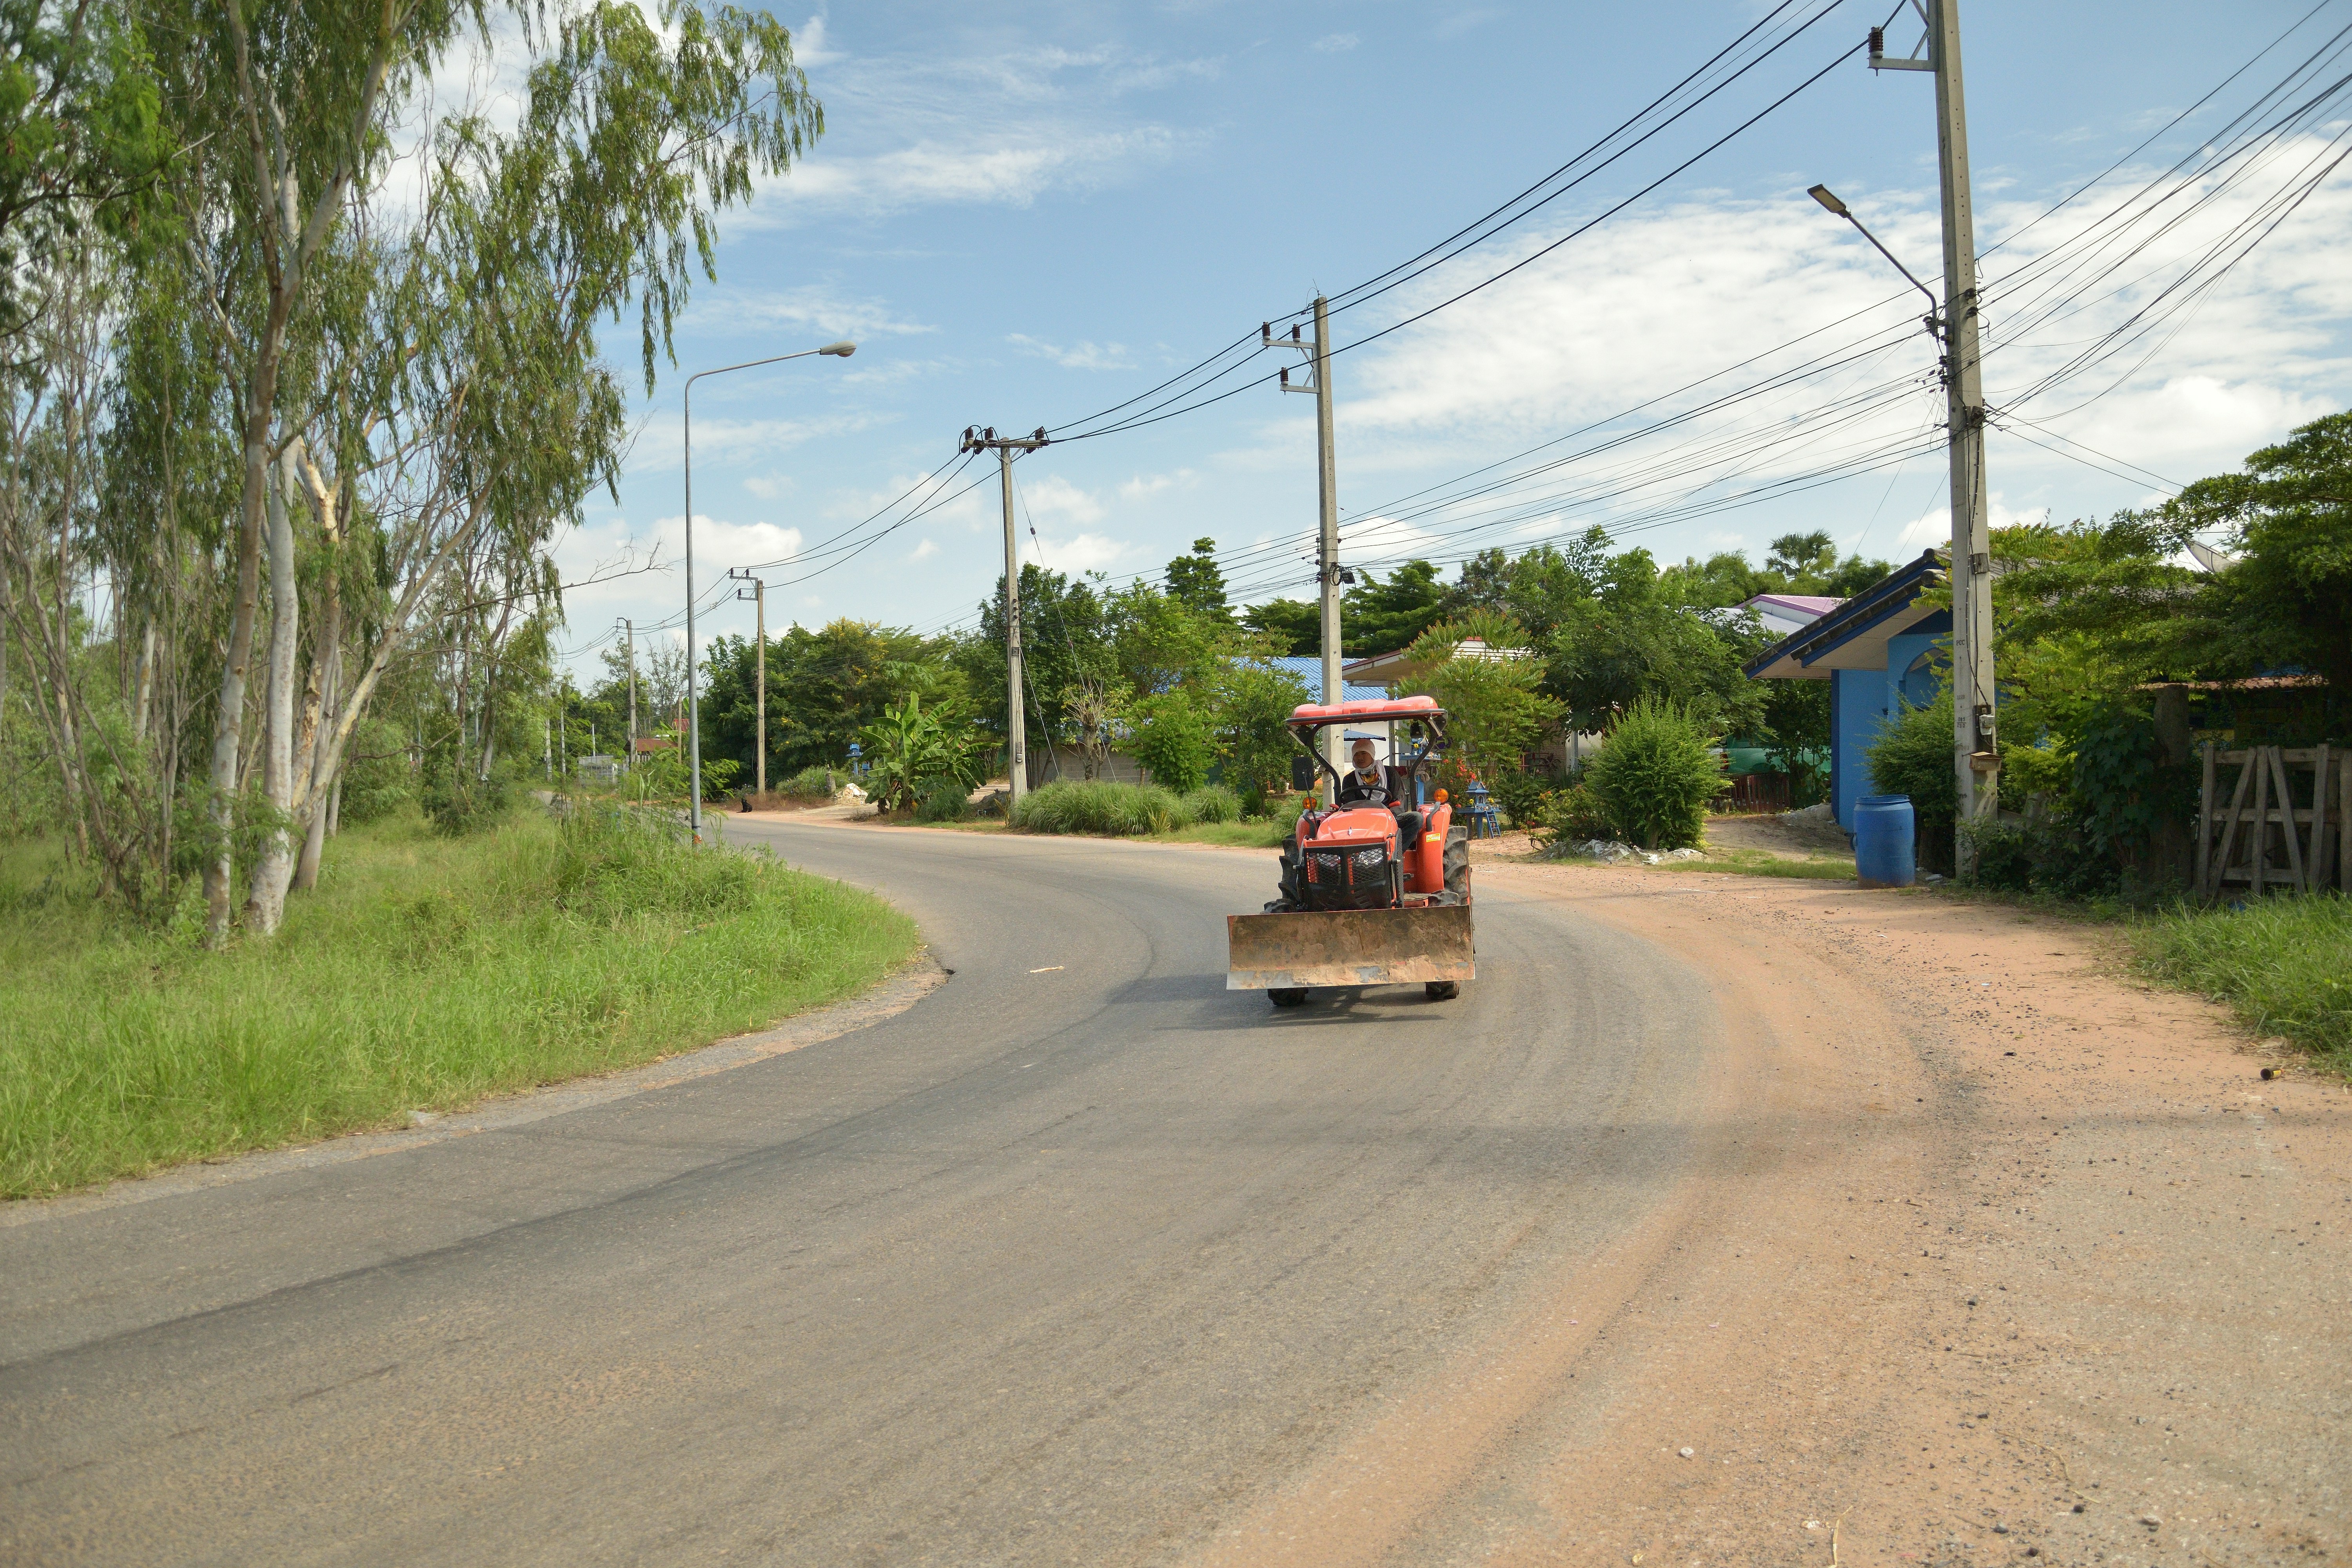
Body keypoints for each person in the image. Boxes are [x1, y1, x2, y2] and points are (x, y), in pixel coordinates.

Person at [1335, 739, 1388, 806]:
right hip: (1360, 815)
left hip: (1387, 815)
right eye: (1356, 754)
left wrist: (1392, 813)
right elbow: (1350, 804)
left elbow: (1398, 800)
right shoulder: (1349, 779)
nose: (1360, 758)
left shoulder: (1389, 773)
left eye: (1364, 753)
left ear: (1372, 754)